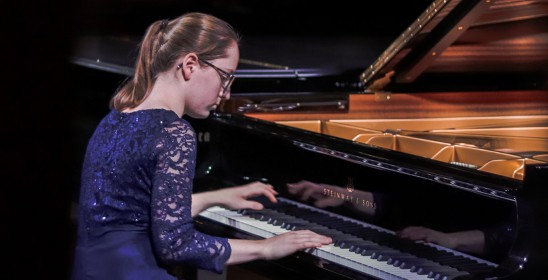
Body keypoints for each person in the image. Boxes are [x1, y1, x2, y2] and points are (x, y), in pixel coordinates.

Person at [71, 12, 332, 280]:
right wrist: (266, 247)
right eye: (225, 76)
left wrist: (215, 197)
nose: (227, 92)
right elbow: (177, 245)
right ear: (191, 65)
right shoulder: (174, 133)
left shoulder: (117, 115)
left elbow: (134, 213)